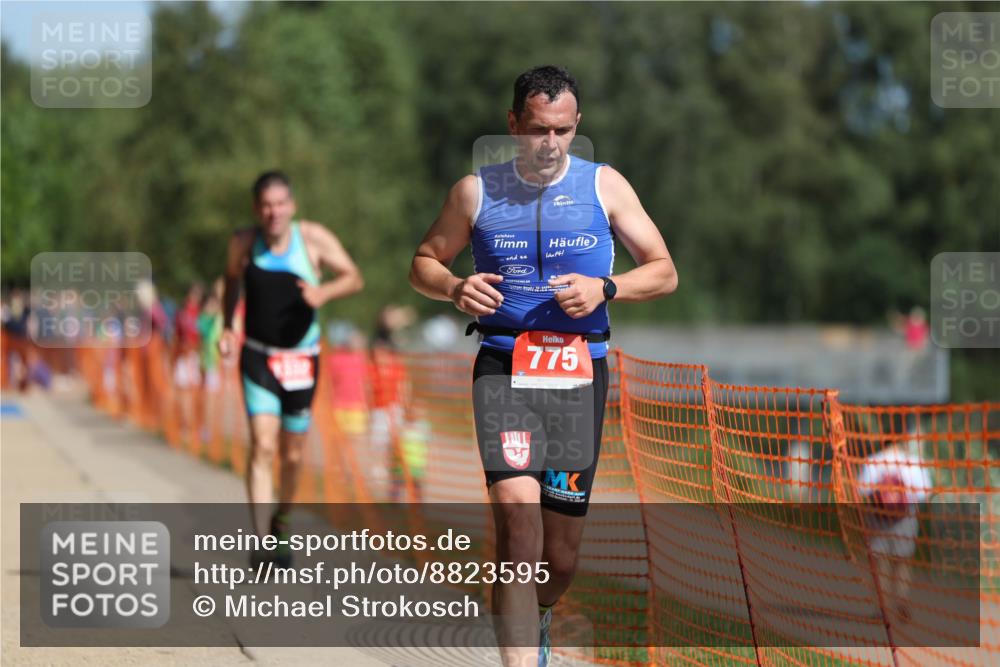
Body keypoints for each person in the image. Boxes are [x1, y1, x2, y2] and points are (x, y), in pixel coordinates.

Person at [409, 65, 678, 667]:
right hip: (503, 370)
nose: (549, 144)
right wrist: (453, 287)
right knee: (517, 523)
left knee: (557, 558)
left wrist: (606, 287)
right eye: (536, 130)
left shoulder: (605, 186)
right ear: (513, 125)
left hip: (579, 376)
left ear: (577, 126)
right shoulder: (474, 192)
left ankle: (541, 614)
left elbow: (664, 269)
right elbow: (423, 261)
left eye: (561, 130)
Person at [219, 170, 364, 566]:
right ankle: (262, 539)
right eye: (266, 205)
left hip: (302, 358)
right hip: (258, 355)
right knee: (263, 445)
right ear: (256, 209)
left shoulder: (312, 239)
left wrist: (323, 292)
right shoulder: (243, 242)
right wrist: (229, 325)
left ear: (292, 206)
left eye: (280, 203)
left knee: (293, 453)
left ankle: (281, 520)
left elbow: (354, 277)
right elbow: (231, 281)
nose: (273, 212)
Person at [856, 428, 932, 624]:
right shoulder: (913, 463)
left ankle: (882, 608)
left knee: (879, 561)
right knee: (902, 561)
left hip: (878, 516)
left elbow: (862, 489)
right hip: (905, 518)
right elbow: (925, 492)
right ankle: (902, 600)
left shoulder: (874, 460)